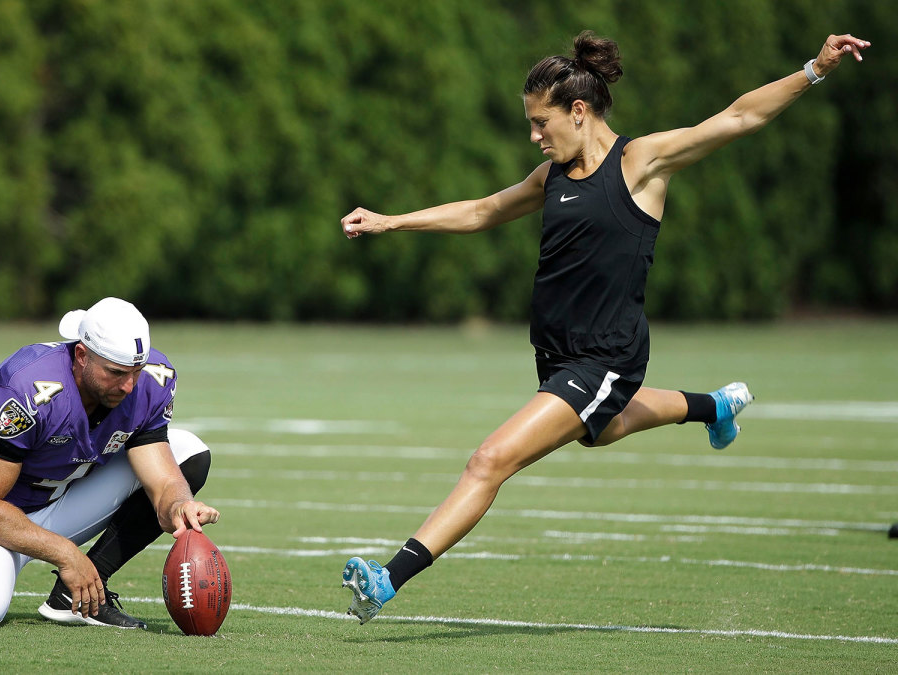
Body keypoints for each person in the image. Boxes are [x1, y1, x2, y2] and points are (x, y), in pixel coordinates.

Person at [337, 31, 870, 624]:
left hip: (605, 354)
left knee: (490, 461)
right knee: (604, 429)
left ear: (579, 111)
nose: (534, 137)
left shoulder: (639, 162)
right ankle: (713, 407)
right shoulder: (551, 178)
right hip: (558, 354)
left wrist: (814, 70)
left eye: (542, 124)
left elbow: (739, 117)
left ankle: (389, 578)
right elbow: (484, 210)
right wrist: (390, 221)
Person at [0, 297, 220, 629]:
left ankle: (78, 596)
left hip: (57, 498)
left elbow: (160, 474)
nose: (128, 385)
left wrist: (177, 504)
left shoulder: (151, 380)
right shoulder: (26, 389)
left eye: (136, 372)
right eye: (115, 373)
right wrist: (67, 554)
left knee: (187, 451)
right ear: (81, 355)